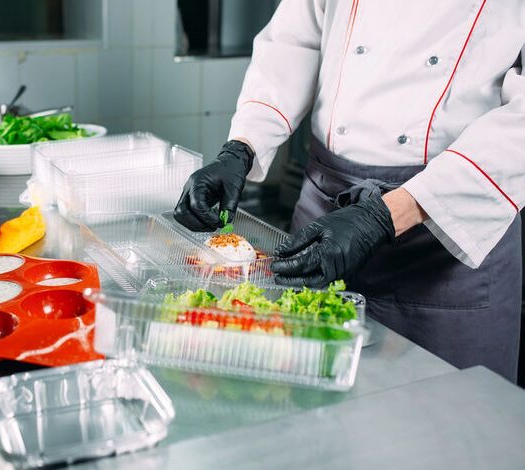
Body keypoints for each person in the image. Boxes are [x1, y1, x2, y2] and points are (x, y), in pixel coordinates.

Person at [174, 0, 524, 382]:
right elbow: (295, 40)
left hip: (446, 232)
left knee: (444, 423)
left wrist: (385, 215)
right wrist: (244, 145)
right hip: (323, 212)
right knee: (311, 407)